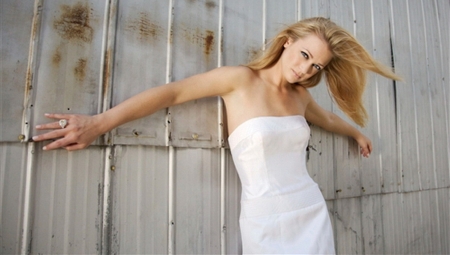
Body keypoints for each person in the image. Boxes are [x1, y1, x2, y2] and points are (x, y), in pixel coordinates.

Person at [33, 17, 401, 254]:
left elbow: (327, 121)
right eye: (304, 54)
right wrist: (99, 124)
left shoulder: (301, 97)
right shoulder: (239, 79)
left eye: (315, 65)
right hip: (265, 220)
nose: (304, 69)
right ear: (288, 41)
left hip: (310, 211)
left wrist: (356, 133)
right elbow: (172, 94)